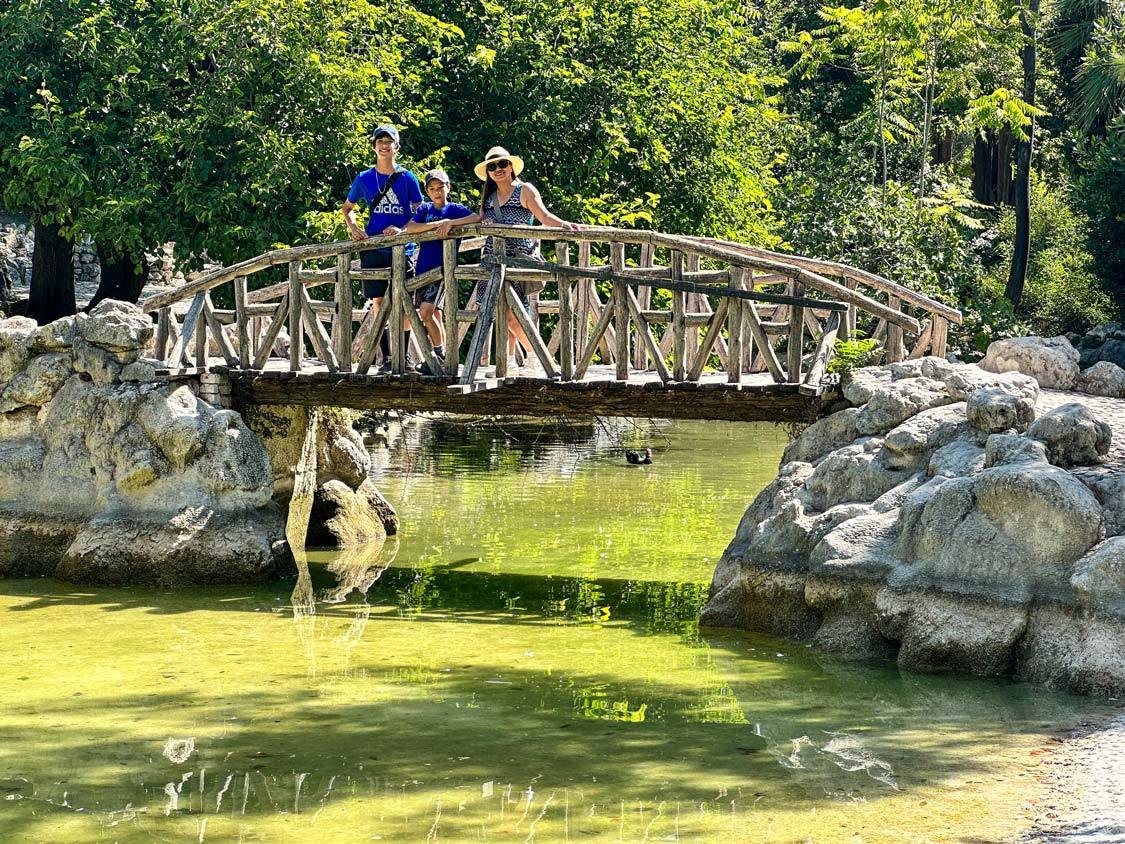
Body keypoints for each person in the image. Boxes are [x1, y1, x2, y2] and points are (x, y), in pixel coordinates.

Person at [473, 145, 580, 371]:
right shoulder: (489, 197)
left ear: (511, 166)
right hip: (493, 258)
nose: (498, 169)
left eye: (502, 164)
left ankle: (535, 353)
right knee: (500, 309)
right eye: (493, 166)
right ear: (489, 172)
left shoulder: (525, 190)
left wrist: (564, 225)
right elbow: (480, 220)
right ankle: (510, 360)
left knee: (513, 312)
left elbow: (543, 216)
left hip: (517, 258)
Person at [341, 124, 424, 371]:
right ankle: (387, 357)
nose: (384, 146)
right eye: (380, 141)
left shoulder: (407, 177)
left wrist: (403, 230)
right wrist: (354, 228)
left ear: (396, 147)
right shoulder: (364, 178)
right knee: (378, 303)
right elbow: (348, 208)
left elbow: (421, 211)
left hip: (402, 248)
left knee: (406, 303)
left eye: (389, 142)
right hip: (374, 247)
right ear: (374, 146)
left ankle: (404, 356)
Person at [404, 168, 479, 374]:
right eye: (432, 188)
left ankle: (439, 355)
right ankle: (443, 356)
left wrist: (451, 223)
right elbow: (410, 228)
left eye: (441, 187)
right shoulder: (425, 209)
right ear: (427, 191)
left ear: (448, 187)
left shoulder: (454, 208)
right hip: (423, 270)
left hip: (441, 270)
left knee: (426, 313)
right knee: (433, 314)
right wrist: (436, 224)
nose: (437, 192)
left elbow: (476, 217)